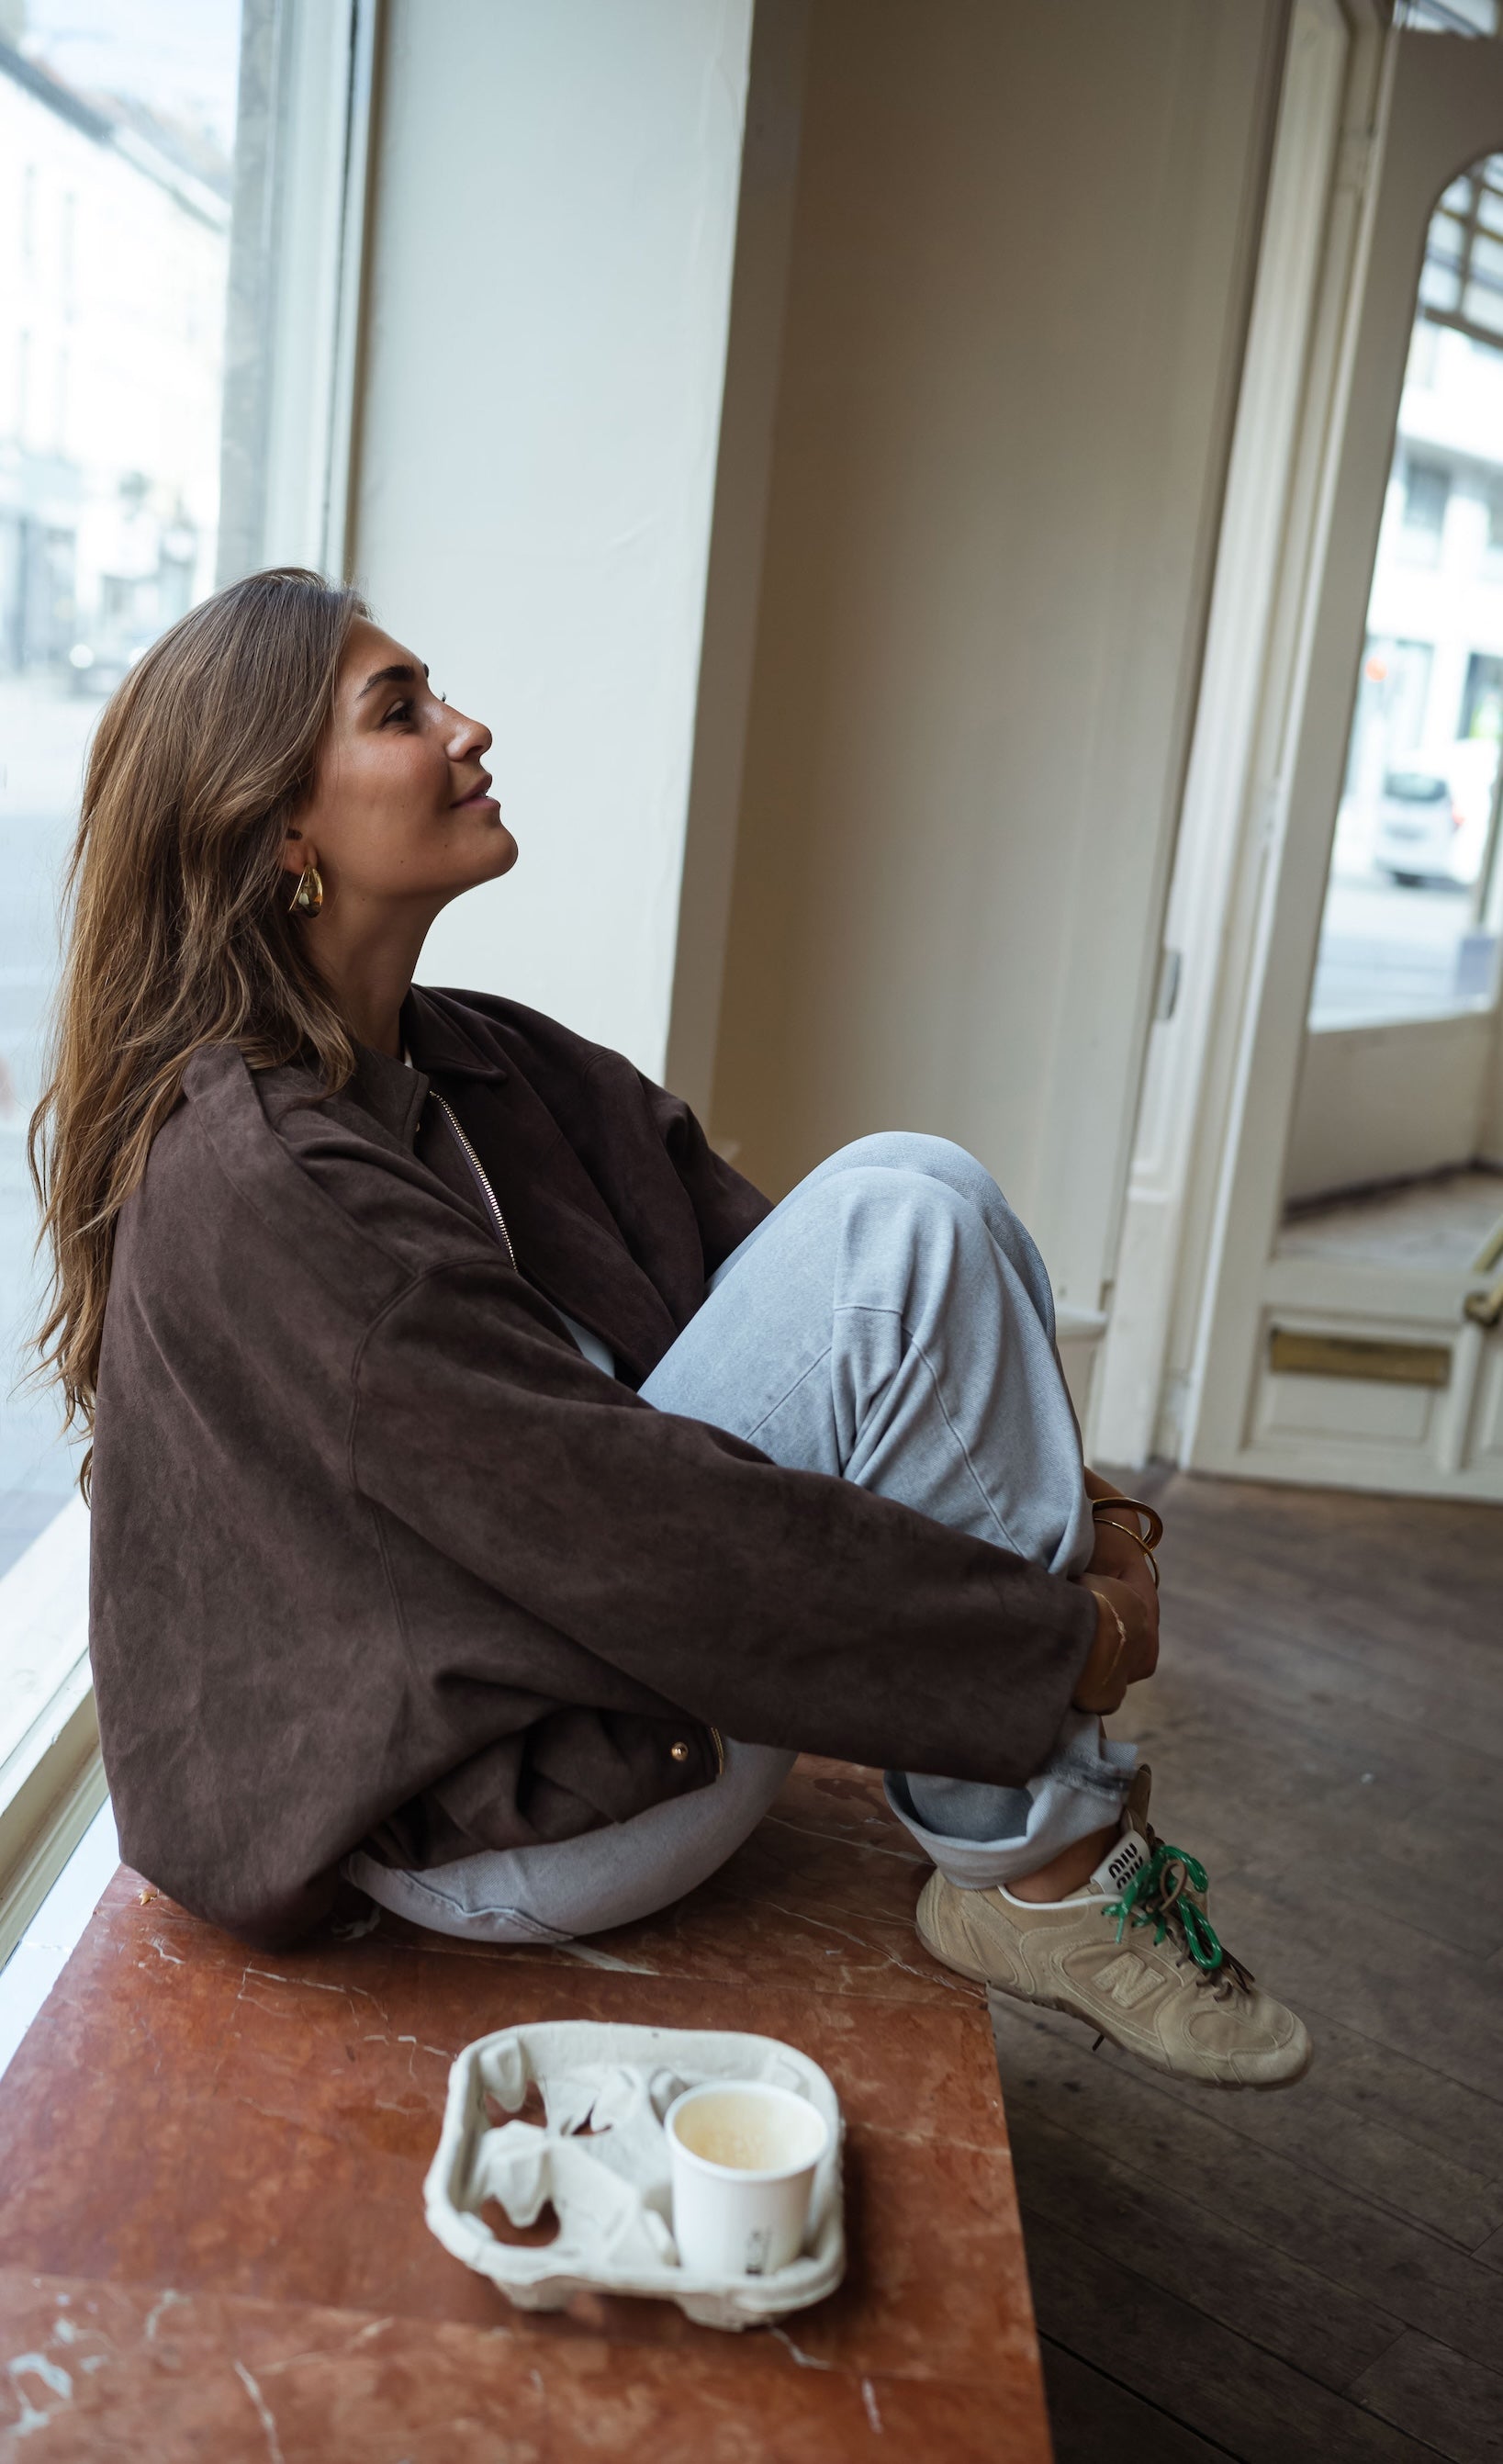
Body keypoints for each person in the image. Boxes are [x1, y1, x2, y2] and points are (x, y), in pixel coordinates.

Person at [30, 569, 1310, 2091]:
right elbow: (634, 1525)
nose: (468, 726)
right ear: (282, 835)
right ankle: (1040, 1867)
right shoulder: (258, 1182)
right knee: (905, 1212)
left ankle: (1043, 1854)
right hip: (511, 1810)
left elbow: (802, 1287)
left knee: (915, 1202)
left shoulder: (481, 1059)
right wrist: (1059, 1643)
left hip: (643, 1685)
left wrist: (1095, 1519)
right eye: (402, 709)